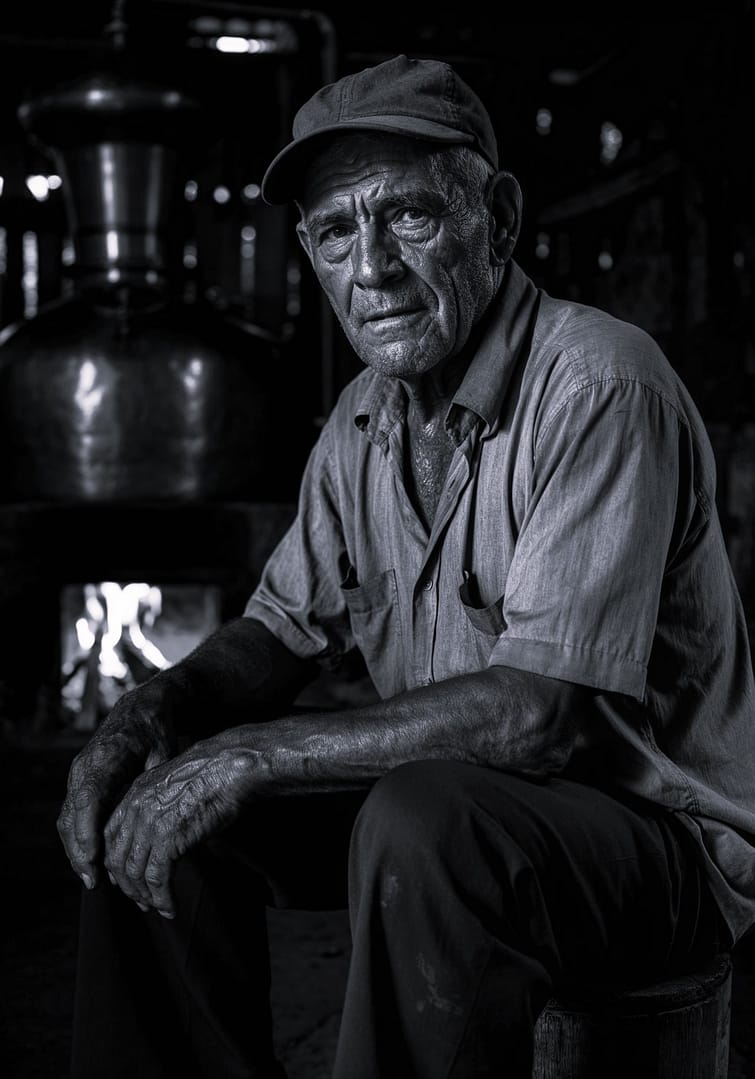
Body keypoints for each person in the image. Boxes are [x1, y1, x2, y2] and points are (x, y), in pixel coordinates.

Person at [58, 54, 755, 1078]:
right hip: (461, 808)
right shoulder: (360, 422)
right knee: (161, 817)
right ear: (309, 251)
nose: (371, 267)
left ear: (499, 220)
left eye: (409, 218)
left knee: (422, 817)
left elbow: (536, 713)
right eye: (336, 232)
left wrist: (252, 751)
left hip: (655, 845)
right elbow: (280, 629)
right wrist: (153, 714)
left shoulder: (598, 382)